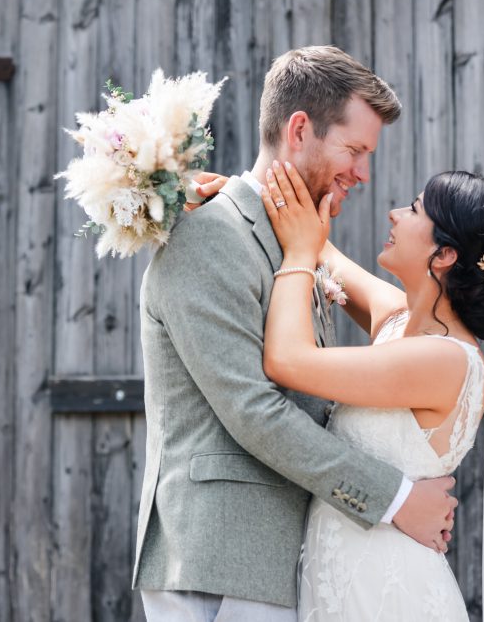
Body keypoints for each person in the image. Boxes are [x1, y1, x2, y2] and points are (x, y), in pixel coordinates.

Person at [134, 46, 459, 622]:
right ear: (300, 129)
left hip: (282, 561)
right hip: (221, 560)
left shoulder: (297, 239)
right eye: (354, 150)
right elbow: (253, 409)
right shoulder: (210, 237)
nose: (362, 172)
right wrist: (398, 498)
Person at [258, 164, 484, 621]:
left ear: (443, 255)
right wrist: (243, 193)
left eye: (415, 209)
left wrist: (299, 251)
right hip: (341, 579)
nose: (395, 214)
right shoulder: (401, 320)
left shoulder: (445, 361)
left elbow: (286, 360)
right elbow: (321, 247)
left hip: (385, 592)